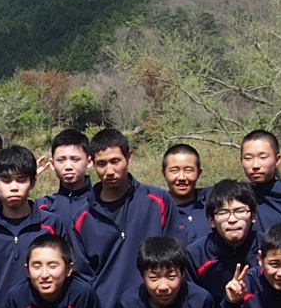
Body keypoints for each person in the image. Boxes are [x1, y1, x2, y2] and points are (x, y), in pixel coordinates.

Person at [65, 127, 170, 298]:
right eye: (102, 164)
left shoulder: (158, 201)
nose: (109, 171)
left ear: (129, 157)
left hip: (154, 306)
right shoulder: (82, 217)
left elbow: (176, 255)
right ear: (92, 163)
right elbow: (83, 277)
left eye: (115, 161)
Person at [0, 146, 55, 288]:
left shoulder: (51, 224)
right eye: (6, 180)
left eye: (21, 180)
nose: (14, 187)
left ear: (32, 183)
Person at [187, 179, 258, 284]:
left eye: (240, 211)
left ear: (253, 216)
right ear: (211, 220)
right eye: (223, 212)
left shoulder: (266, 249)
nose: (232, 220)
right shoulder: (196, 255)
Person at [237, 130, 281, 226]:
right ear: (241, 161)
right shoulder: (237, 196)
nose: (255, 165)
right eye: (248, 158)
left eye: (263, 157)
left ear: (277, 160)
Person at [160, 144, 210, 254]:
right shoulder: (158, 211)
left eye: (188, 170)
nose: (181, 177)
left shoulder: (213, 203)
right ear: (164, 173)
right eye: (174, 171)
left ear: (199, 173)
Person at [42, 129, 94, 219]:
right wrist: (28, 179)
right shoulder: (43, 206)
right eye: (61, 160)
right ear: (52, 164)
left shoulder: (100, 204)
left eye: (75, 159)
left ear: (89, 162)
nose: (68, 167)